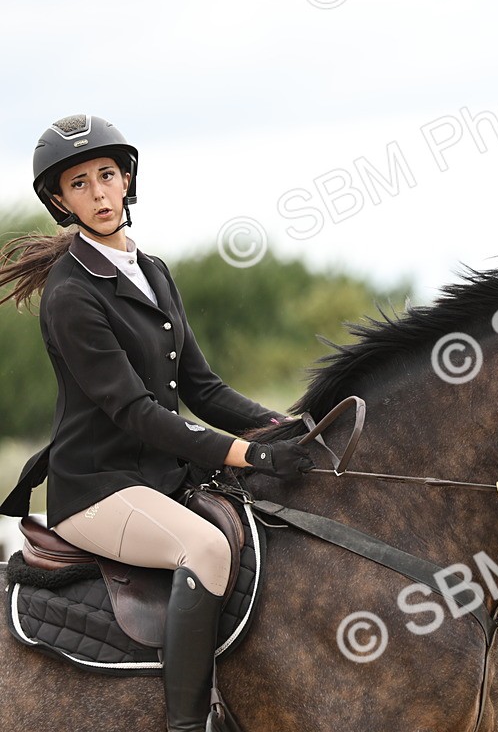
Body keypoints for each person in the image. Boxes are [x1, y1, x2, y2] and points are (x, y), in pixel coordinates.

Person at [0, 114, 315, 731]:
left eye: (107, 176)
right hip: (99, 489)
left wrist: (284, 428)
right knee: (205, 547)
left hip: (159, 476)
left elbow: (202, 388)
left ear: (127, 181)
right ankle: (188, 723)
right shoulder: (71, 295)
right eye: (80, 184)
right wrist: (246, 455)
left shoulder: (154, 270)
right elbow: (137, 412)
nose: (97, 193)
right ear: (61, 201)